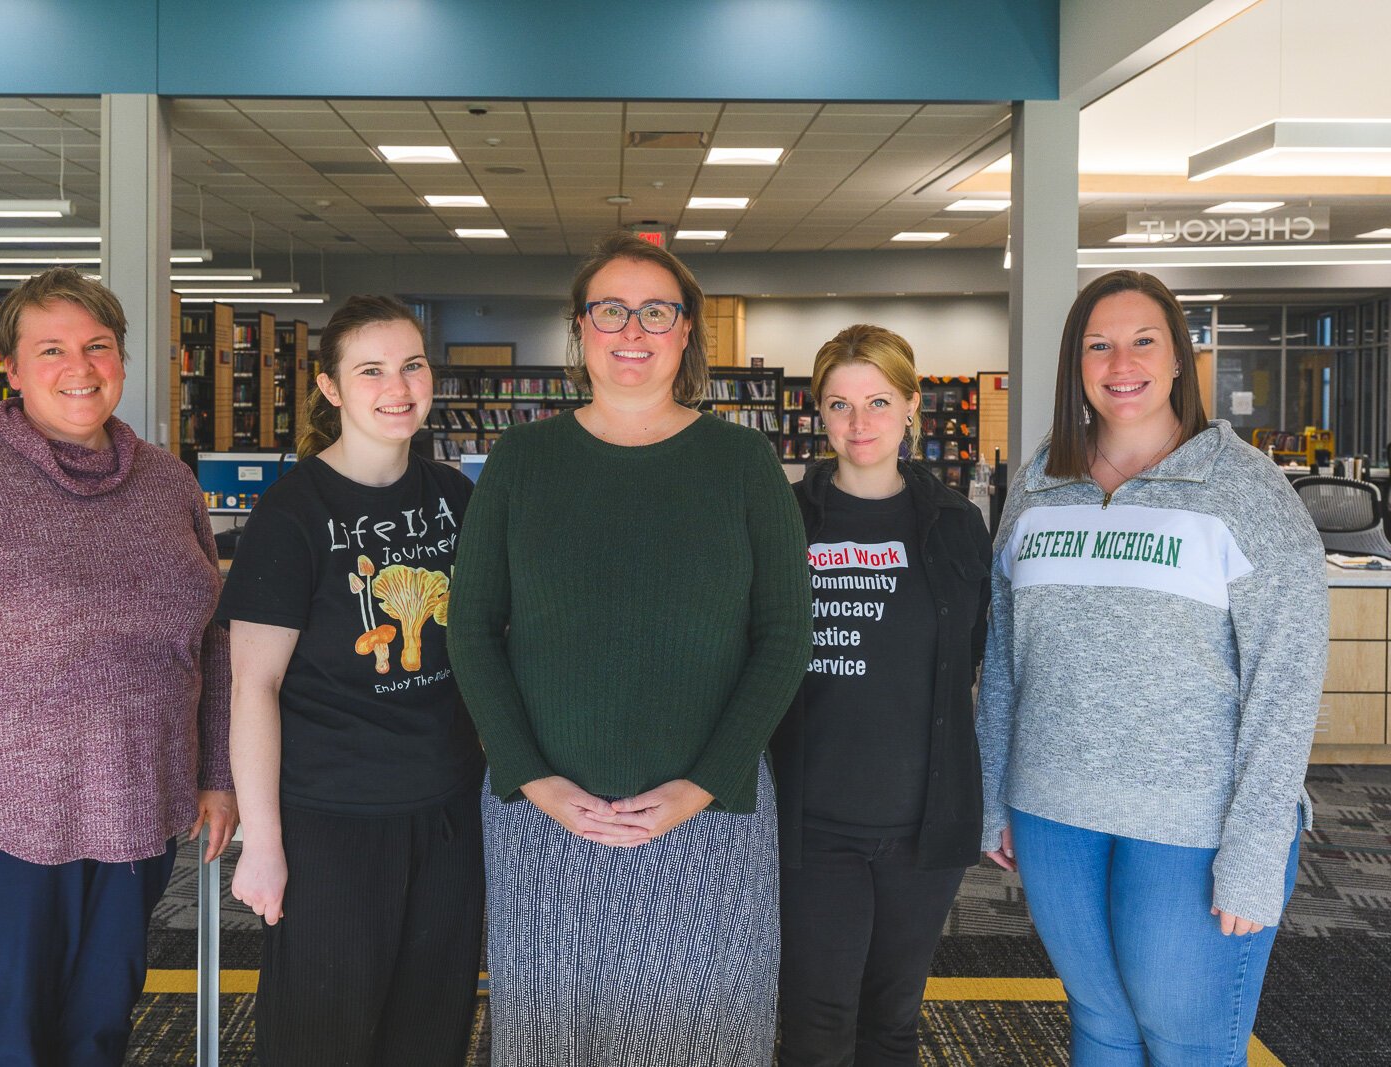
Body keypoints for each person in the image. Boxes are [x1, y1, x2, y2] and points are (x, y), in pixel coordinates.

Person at [0, 267, 237, 1065]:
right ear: (12, 369)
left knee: (99, 1027)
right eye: (51, 348)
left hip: (137, 804)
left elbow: (213, 638)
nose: (80, 367)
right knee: (9, 1039)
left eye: (97, 346)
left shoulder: (169, 483)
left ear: (122, 359)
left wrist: (218, 769)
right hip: (0, 822)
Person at [447, 231, 811, 1066]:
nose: (632, 329)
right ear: (581, 329)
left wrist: (706, 782)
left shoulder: (743, 462)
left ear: (687, 332)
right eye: (610, 310)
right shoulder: (522, 460)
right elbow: (471, 630)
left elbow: (785, 635)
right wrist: (528, 775)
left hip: (708, 812)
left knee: (702, 1036)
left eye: (656, 311)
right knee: (552, 1036)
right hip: (546, 813)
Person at [977, 269, 1328, 1065]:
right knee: (1101, 1024)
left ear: (1178, 361)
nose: (1120, 362)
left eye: (1143, 341)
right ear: (1076, 364)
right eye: (1098, 344)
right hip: (1054, 810)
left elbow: (1286, 681)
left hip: (1192, 824)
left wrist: (1254, 848)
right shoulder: (1040, 486)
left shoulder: (1242, 489)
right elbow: (1003, 657)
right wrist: (993, 790)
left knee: (1187, 1043)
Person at [219, 295, 483, 1066]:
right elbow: (253, 687)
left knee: (430, 1032)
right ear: (332, 389)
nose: (396, 386)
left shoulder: (456, 498)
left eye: (411, 364)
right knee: (322, 1037)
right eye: (370, 370)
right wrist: (263, 843)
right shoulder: (293, 512)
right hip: (331, 817)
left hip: (445, 811)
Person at [772, 325, 991, 1066]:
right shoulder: (784, 522)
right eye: (840, 403)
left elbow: (982, 657)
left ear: (910, 407)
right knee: (816, 1021)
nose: (858, 423)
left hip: (921, 824)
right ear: (818, 412)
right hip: (811, 819)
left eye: (876, 401)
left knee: (893, 1019)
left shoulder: (957, 525)